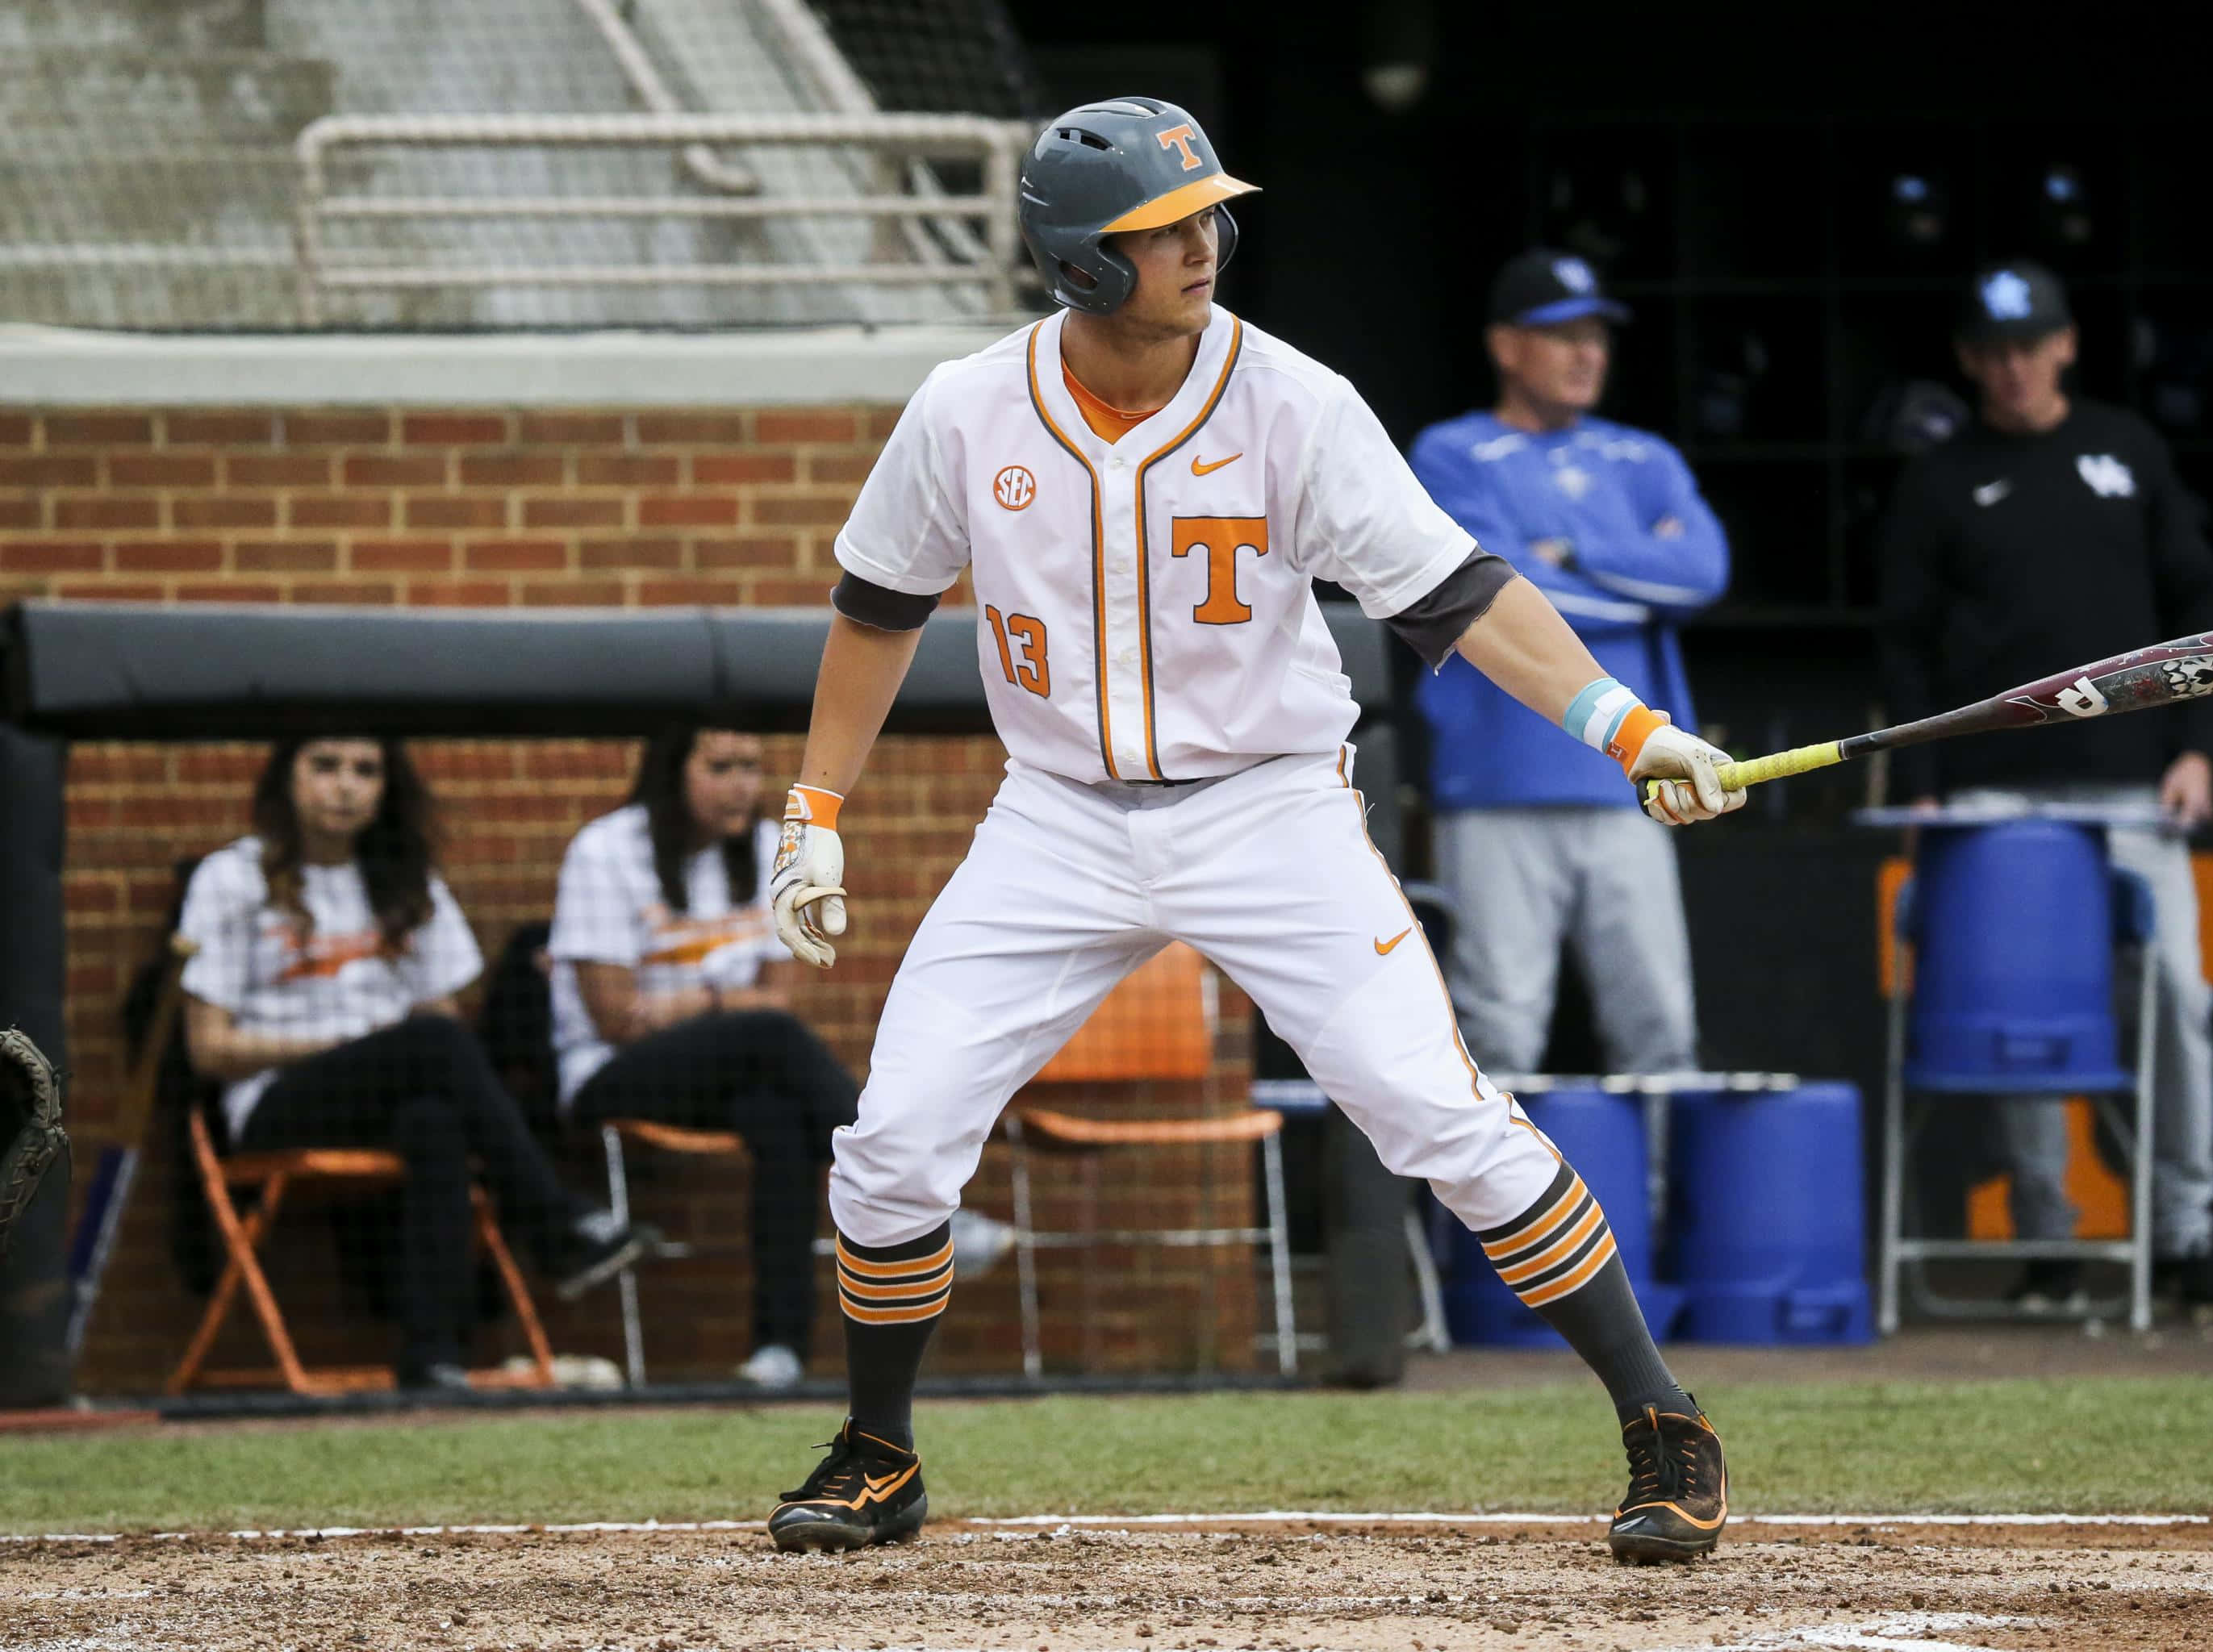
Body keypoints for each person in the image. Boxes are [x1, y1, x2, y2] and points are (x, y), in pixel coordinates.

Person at [759, 96, 1747, 1563]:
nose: (1206, 242)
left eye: (1209, 213)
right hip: (1056, 820)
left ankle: (1663, 1421)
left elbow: (1454, 594)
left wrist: (1627, 726)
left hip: (1264, 806)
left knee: (1437, 1114)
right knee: (893, 1142)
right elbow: (879, 604)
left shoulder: (1292, 398)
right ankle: (876, 1449)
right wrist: (813, 806)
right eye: (1164, 229)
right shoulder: (966, 405)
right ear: (1082, 261)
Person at [1877, 260, 2213, 1325]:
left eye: (2030, 344)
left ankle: (2188, 1239)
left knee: (2180, 999)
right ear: (1967, 360)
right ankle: (2050, 1241)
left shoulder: (2126, 450)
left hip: (2135, 786)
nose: (2012, 367)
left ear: (2066, 344)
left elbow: (2202, 613)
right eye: (1992, 350)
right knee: (2024, 1020)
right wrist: (1920, 786)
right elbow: (1903, 647)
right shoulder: (1939, 477)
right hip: (1991, 798)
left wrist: (2202, 751)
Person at [177, 736, 652, 1391]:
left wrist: (386, 1047)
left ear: (385, 790)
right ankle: (552, 1220)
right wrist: (353, 1043)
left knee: (435, 1118)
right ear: (286, 780)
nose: (346, 785)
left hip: (390, 1095)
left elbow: (446, 1021)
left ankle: (431, 1357)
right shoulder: (233, 878)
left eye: (365, 771)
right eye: (326, 766)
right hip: (276, 1100)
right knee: (429, 1042)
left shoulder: (405, 879)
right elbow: (208, 1047)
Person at [548, 726, 1015, 1390]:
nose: (742, 783)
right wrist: (726, 1000)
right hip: (612, 1076)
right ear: (672, 772)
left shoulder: (775, 848)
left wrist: (690, 1004)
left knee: (780, 1118)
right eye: (721, 766)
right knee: (767, 1039)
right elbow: (616, 1017)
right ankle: (922, 1204)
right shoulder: (606, 852)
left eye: (752, 766)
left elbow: (777, 996)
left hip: (729, 1072)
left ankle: (778, 1352)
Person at [1410, 249, 1729, 1078]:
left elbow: (1701, 574)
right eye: (1561, 335)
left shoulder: (1643, 458)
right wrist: (1631, 579)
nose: (1588, 353)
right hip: (1497, 781)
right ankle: (1493, 1215)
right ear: (1507, 346)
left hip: (1632, 781)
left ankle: (1654, 1211)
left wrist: (1572, 555)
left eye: (1596, 335)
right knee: (1500, 1029)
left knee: (1660, 1025)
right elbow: (1490, 593)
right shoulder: (1451, 453)